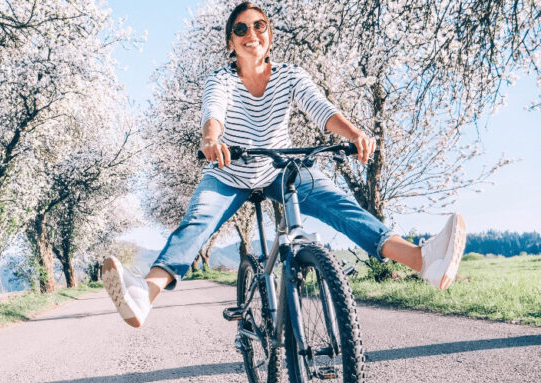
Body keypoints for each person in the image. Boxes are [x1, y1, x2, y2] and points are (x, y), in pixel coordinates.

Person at [102, 2, 466, 328]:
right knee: (197, 222)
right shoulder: (222, 79)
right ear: (231, 42)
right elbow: (214, 113)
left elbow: (320, 108)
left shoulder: (291, 76)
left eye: (259, 26)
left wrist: (354, 134)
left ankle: (421, 260)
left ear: (269, 35)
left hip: (281, 169)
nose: (251, 34)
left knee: (341, 206)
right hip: (230, 172)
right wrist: (212, 140)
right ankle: (144, 295)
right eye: (241, 29)